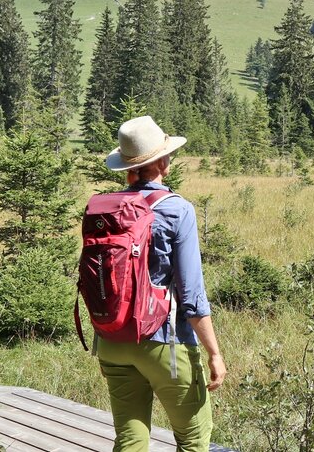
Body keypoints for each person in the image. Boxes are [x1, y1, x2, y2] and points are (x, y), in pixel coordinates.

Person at [97, 115, 226, 452]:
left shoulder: (106, 208)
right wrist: (214, 353)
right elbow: (191, 294)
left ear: (127, 167)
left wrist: (107, 338)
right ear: (162, 164)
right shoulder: (177, 210)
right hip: (164, 343)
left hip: (112, 340)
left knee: (130, 440)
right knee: (194, 439)